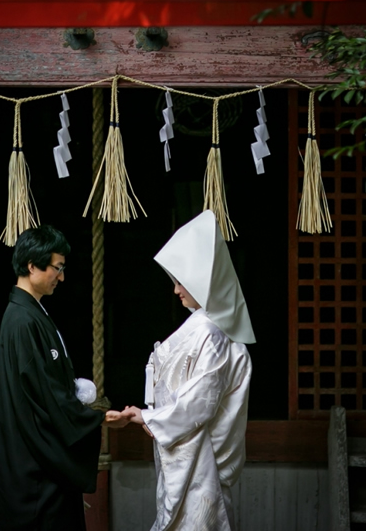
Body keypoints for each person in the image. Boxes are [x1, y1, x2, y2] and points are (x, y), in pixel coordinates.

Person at [105, 210, 254, 531]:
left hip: (202, 462)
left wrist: (146, 417)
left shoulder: (211, 334)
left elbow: (198, 404)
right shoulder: (210, 329)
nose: (175, 290)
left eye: (181, 281)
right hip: (190, 452)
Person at [0, 225, 103, 531]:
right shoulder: (23, 320)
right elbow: (45, 394)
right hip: (35, 467)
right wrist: (91, 420)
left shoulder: (28, 314)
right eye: (57, 268)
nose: (61, 277)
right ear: (31, 265)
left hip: (35, 457)